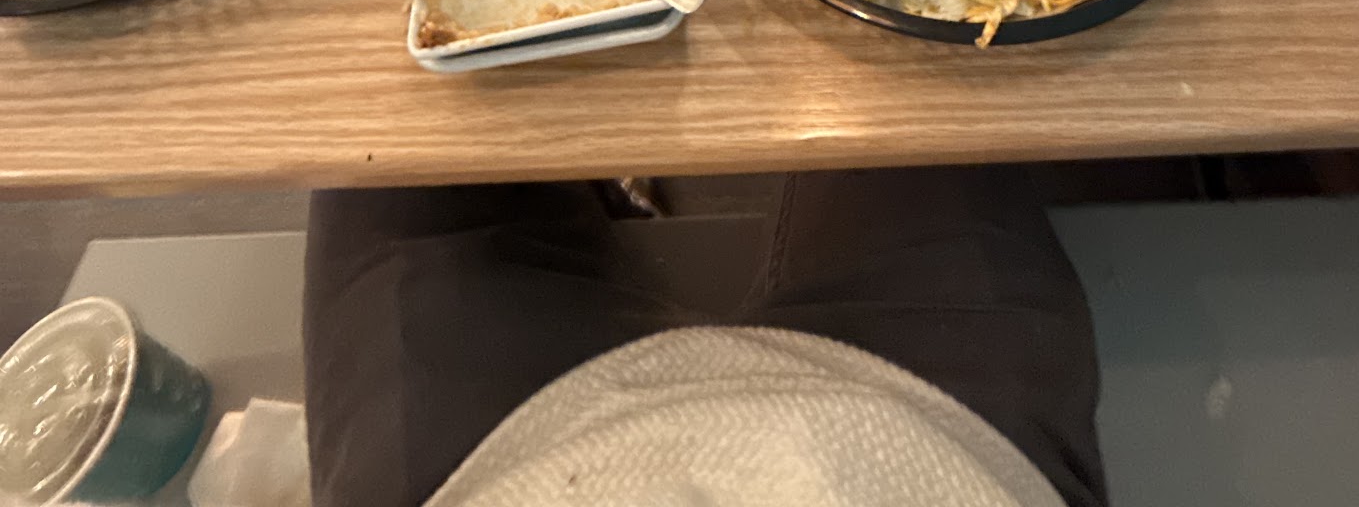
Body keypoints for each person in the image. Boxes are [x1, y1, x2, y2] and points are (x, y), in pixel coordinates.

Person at [304, 166, 1109, 506]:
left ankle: (599, 191)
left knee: (376, 100)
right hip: (946, 452)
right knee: (929, 58)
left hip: (485, 467)